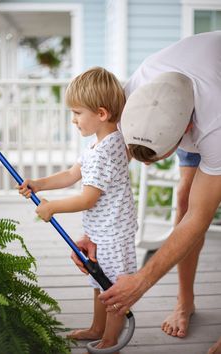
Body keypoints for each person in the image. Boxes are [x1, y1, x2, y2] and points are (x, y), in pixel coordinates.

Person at [71, 31, 221, 354]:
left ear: (186, 131)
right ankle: (185, 301)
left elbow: (200, 217)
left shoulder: (214, 128)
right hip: (184, 95)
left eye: (155, 158)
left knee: (198, 205)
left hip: (213, 103)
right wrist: (91, 233)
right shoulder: (134, 94)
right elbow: (104, 175)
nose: (148, 167)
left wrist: (141, 281)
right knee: (183, 198)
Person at [17, 67, 138, 353]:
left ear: (101, 113)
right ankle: (97, 328)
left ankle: (109, 339)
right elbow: (72, 174)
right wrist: (38, 184)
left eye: (77, 113)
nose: (73, 120)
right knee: (100, 281)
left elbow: (87, 199)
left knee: (112, 289)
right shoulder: (101, 144)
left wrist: (52, 208)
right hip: (103, 230)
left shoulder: (105, 152)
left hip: (113, 235)